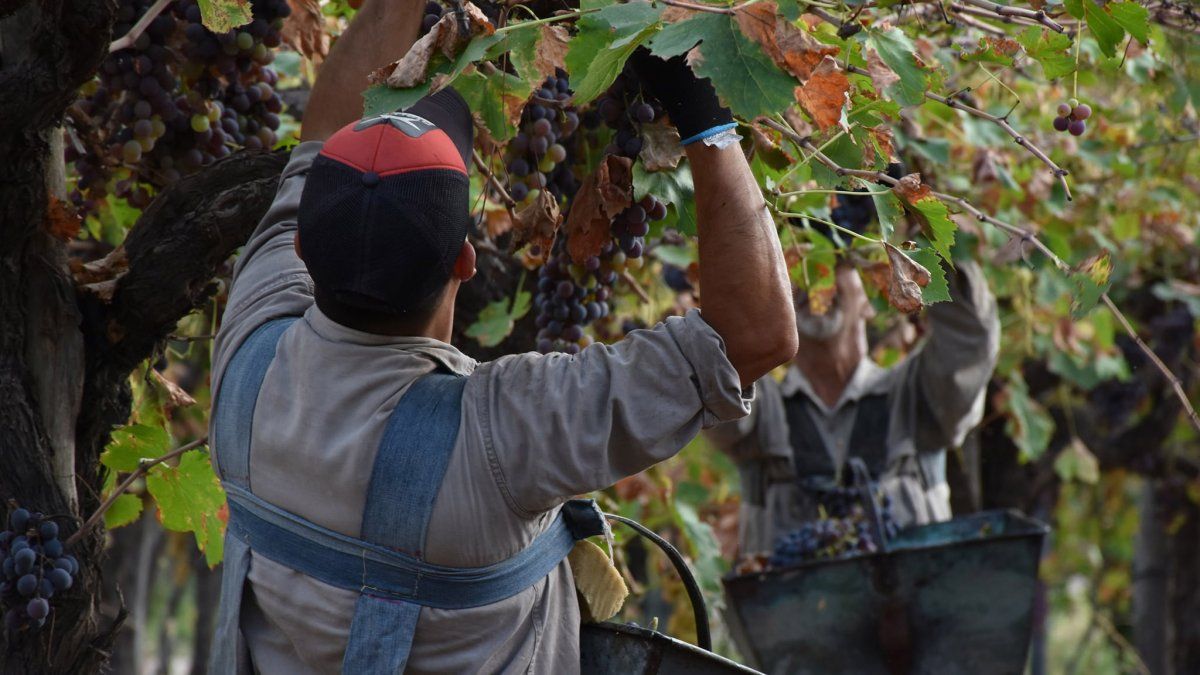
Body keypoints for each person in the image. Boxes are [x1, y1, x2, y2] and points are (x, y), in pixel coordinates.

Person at [205, 1, 797, 672]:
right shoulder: (502, 435)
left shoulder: (248, 352)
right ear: (467, 259)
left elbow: (323, 138)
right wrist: (704, 111)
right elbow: (755, 336)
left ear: (303, 246)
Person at [708, 196, 1000, 558]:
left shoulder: (917, 398)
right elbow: (718, 372)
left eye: (834, 262)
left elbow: (971, 341)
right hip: (796, 613)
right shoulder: (756, 412)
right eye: (798, 268)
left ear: (870, 298)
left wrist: (923, 217)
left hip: (911, 611)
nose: (816, 278)